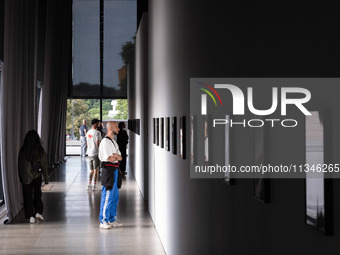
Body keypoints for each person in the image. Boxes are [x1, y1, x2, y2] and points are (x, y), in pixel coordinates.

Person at [18, 130, 49, 224]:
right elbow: (44, 164)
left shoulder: (23, 150)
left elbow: (19, 165)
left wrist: (21, 177)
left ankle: (31, 216)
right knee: (37, 194)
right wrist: (46, 178)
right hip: (37, 176)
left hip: (26, 177)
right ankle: (38, 212)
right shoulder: (40, 150)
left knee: (27, 196)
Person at [98, 121, 123, 229]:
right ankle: (103, 220)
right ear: (110, 129)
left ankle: (112, 219)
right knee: (107, 195)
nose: (118, 129)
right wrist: (115, 156)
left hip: (116, 170)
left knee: (115, 196)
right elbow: (110, 158)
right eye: (116, 127)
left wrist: (116, 156)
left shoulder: (113, 142)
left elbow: (120, 157)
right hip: (108, 171)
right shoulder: (105, 142)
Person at [86, 119, 102, 191]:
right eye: (98, 123)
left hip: (89, 153)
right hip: (95, 153)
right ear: (95, 124)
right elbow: (98, 143)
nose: (99, 124)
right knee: (96, 170)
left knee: (91, 170)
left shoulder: (88, 132)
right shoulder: (97, 132)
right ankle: (94, 185)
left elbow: (87, 143)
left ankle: (89, 184)